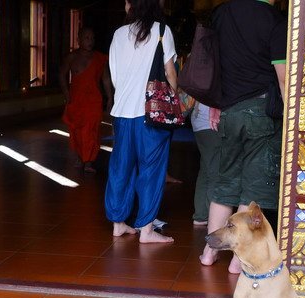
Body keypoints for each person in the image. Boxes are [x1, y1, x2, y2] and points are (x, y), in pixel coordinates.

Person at [199, 0, 286, 272]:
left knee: (225, 182)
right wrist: (292, 117)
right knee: (253, 187)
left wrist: (215, 103)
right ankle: (238, 261)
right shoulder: (275, 19)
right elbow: (283, 78)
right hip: (262, 111)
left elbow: (214, 65)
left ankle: (208, 253)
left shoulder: (223, 13)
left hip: (230, 111)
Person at [105, 0, 178, 243]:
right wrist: (173, 100)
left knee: (121, 167)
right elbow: (170, 73)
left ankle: (118, 224)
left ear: (129, 6)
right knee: (151, 169)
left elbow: (115, 75)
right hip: (152, 114)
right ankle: (146, 230)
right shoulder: (162, 31)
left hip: (122, 113)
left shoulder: (118, 34)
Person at [59, 27, 113, 173]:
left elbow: (106, 79)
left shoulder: (100, 58)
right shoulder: (71, 57)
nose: (90, 41)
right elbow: (61, 75)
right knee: (76, 130)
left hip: (94, 101)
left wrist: (110, 98)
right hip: (76, 100)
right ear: (78, 40)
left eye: (92, 38)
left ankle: (88, 162)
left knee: (92, 131)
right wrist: (66, 94)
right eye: (87, 38)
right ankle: (79, 157)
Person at [191, 101, 221, 226]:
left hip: (199, 119)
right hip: (210, 122)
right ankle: (213, 217)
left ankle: (201, 215)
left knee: (206, 170)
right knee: (215, 171)